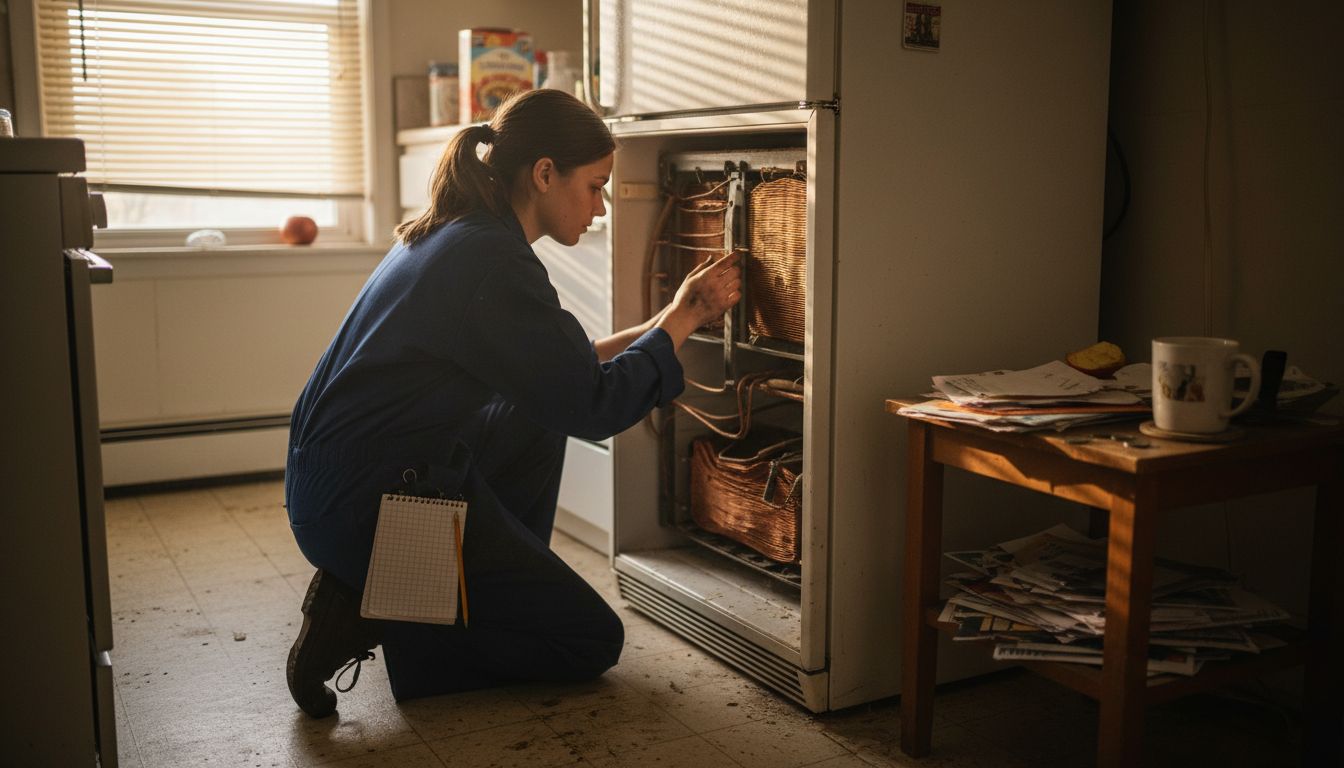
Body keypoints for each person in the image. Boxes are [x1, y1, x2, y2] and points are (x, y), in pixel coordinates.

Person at [283, 88, 741, 718]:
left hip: (341, 482)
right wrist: (685, 317)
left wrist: (666, 323)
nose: (600, 207)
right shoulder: (492, 261)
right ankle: (391, 612)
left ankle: (456, 589)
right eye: (594, 186)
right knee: (589, 639)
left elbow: (556, 375)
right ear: (544, 174)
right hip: (364, 506)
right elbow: (591, 405)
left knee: (532, 413)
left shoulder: (461, 234)